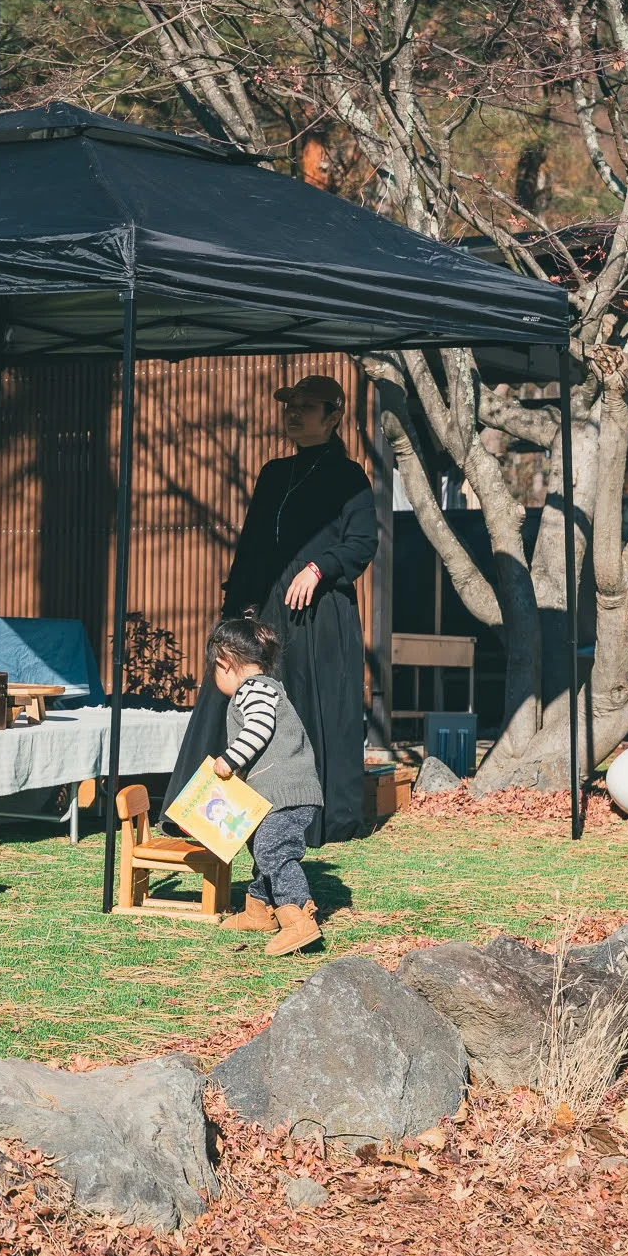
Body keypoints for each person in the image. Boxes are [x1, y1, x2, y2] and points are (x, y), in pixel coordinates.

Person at [163, 373, 377, 847]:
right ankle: (201, 816)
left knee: (307, 709)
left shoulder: (350, 477)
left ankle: (313, 819)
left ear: (334, 415)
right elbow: (253, 547)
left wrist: (320, 568)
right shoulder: (273, 473)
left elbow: (363, 543)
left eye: (306, 406)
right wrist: (233, 611)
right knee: (229, 697)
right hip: (266, 611)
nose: (294, 414)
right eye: (289, 406)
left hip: (319, 616)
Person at [204, 616, 323, 956]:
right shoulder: (265, 687)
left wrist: (229, 760)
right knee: (262, 847)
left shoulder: (253, 690)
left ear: (225, 663)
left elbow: (257, 728)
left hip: (287, 792)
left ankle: (298, 917)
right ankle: (260, 909)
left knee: (274, 850)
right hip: (272, 793)